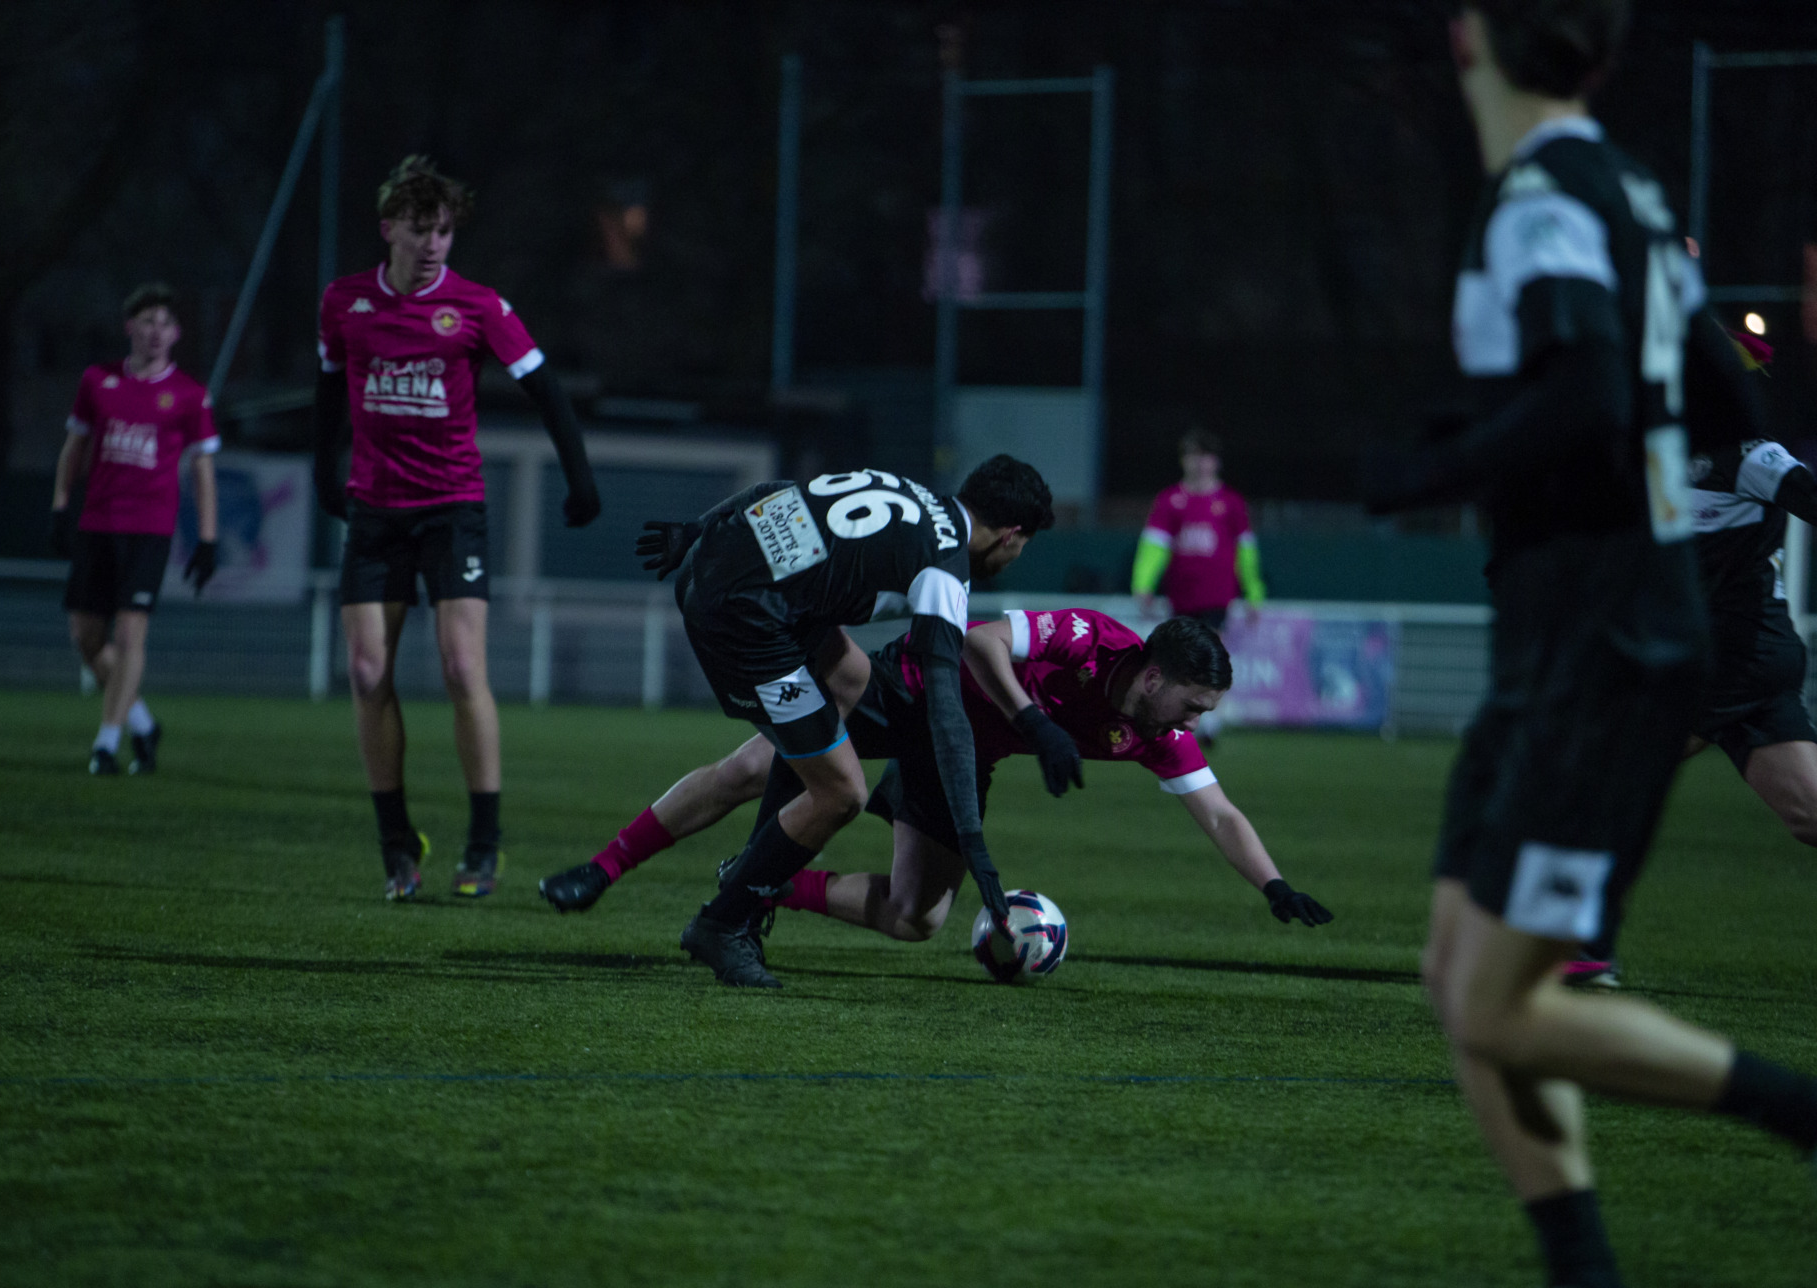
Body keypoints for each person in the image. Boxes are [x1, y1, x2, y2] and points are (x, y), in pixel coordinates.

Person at [1366, 6, 1817, 1285]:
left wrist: (1439, 464)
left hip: (1600, 642)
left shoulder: (1541, 199)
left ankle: (1797, 1111)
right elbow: (1720, 393)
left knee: (1499, 1000)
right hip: (1579, 637)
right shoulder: (1627, 189)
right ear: (1603, 59)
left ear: (1467, 42)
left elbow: (1585, 387)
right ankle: (1581, 1262)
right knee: (1458, 977)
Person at [539, 612, 1332, 942]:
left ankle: (764, 883)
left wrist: (1273, 885)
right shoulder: (1089, 637)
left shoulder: (1157, 732)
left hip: (958, 755)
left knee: (918, 917)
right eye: (1191, 704)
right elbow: (982, 642)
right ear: (1154, 676)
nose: (1193, 723)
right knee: (751, 765)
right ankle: (603, 866)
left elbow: (1221, 813)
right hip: (916, 689)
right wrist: (1035, 721)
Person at [638, 457, 1054, 988]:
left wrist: (698, 528)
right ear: (1011, 534)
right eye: (1023, 545)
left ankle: (733, 898)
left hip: (736, 593)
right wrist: (974, 844)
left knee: (826, 718)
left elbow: (781, 490)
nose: (1016, 556)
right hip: (754, 627)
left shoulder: (902, 486)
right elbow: (947, 713)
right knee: (838, 793)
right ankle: (726, 915)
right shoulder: (946, 569)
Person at [314, 155, 601, 902]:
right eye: (421, 229)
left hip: (452, 507)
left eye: (444, 230)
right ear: (388, 229)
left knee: (462, 668)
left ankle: (484, 842)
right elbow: (328, 392)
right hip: (376, 511)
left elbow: (547, 391)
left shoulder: (478, 306)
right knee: (366, 673)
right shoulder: (344, 302)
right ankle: (397, 841)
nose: (434, 243)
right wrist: (323, 472)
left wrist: (581, 481)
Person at [1567, 428, 1817, 986]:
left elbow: (1805, 492)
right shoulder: (1655, 455)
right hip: (1736, 663)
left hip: (1730, 661)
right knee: (1809, 815)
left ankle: (1589, 946)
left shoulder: (1747, 453)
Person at [49, 281, 220, 776]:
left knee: (129, 634)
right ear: (130, 327)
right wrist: (60, 506)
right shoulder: (98, 381)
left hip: (149, 530)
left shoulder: (189, 395)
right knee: (86, 637)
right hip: (98, 523)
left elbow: (203, 470)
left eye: (165, 323)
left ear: (177, 333)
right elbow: (74, 447)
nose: (156, 332)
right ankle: (142, 722)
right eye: (147, 321)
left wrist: (207, 539)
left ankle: (106, 743)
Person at [1132, 430, 1265, 743]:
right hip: (1181, 596)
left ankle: (1208, 721)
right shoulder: (1170, 501)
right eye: (1192, 456)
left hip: (1217, 596)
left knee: (1211, 654)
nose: (1199, 463)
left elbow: (1246, 553)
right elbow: (1154, 546)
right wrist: (1143, 584)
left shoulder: (1231, 503)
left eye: (1204, 456)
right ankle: (1178, 717)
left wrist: (1254, 593)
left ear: (1215, 461)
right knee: (1181, 659)